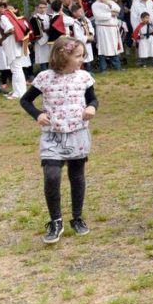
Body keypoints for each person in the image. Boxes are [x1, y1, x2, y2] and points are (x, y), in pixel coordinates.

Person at [19, 37, 98, 244]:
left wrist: (92, 107)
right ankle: (56, 221)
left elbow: (93, 99)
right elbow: (25, 100)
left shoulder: (83, 77)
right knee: (52, 175)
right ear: (63, 55)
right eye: (79, 56)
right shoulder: (45, 77)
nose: (83, 59)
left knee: (76, 175)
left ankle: (77, 217)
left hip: (77, 133)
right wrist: (37, 114)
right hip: (52, 135)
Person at [0, 0, 32, 99]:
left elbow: (10, 28)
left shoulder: (4, 16)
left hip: (12, 44)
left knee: (16, 69)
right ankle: (17, 90)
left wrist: (2, 37)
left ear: (1, 7)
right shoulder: (11, 15)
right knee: (16, 68)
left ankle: (19, 93)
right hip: (16, 43)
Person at [91, 0, 123, 72]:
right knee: (103, 48)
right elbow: (98, 16)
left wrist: (108, 4)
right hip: (103, 29)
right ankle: (103, 68)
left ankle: (117, 67)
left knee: (114, 47)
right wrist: (111, 14)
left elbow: (118, 9)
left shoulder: (110, 2)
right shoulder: (95, 4)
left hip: (113, 29)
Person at [69, 4, 95, 71]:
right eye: (79, 11)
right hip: (82, 43)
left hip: (88, 41)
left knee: (88, 57)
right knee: (82, 57)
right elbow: (77, 35)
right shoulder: (73, 22)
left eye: (82, 10)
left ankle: (89, 70)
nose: (82, 12)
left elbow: (90, 27)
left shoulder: (85, 19)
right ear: (74, 13)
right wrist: (87, 38)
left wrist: (91, 34)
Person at [30, 0, 52, 73]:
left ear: (47, 8)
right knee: (43, 60)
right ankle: (44, 76)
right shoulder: (34, 18)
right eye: (40, 7)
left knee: (50, 58)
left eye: (44, 7)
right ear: (37, 8)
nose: (42, 9)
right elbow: (35, 32)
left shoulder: (50, 16)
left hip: (50, 39)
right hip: (40, 41)